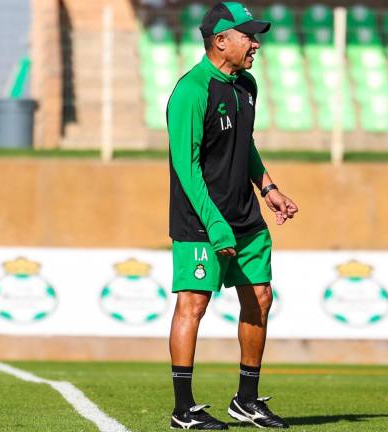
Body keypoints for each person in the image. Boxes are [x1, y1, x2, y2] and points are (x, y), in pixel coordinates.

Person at [166, 2, 298, 430]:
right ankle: (183, 410)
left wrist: (269, 187)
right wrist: (215, 222)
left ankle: (246, 401)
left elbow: (246, 145)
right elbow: (186, 166)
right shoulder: (192, 89)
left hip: (245, 215)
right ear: (220, 41)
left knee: (261, 297)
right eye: (248, 36)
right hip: (201, 220)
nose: (255, 44)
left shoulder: (247, 86)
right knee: (194, 304)